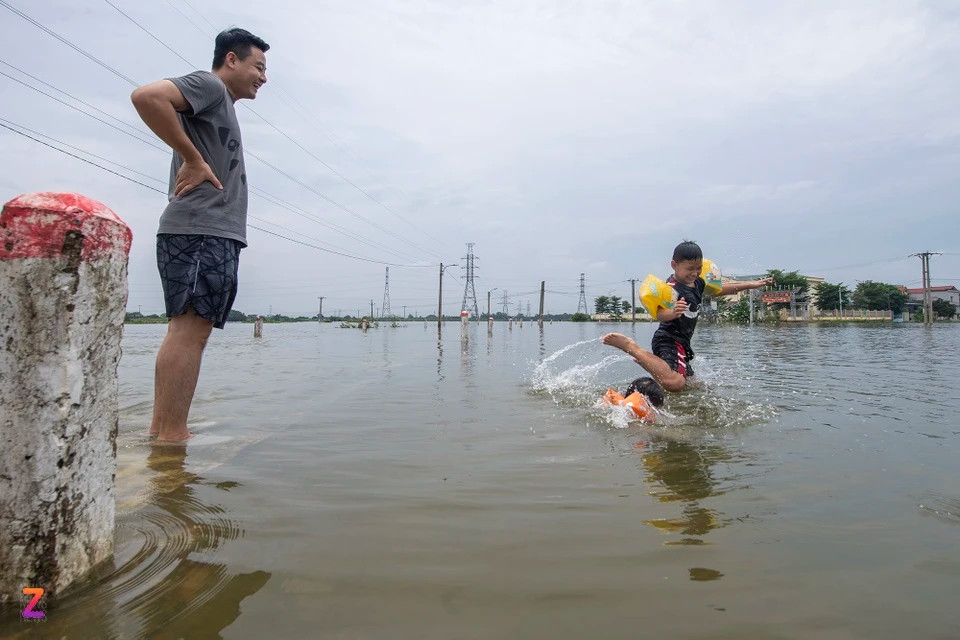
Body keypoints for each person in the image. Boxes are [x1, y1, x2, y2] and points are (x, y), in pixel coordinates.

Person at [131, 28, 270, 442]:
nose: (263, 77)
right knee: (189, 330)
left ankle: (167, 431)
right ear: (232, 59)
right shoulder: (209, 85)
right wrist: (192, 158)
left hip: (214, 232)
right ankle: (170, 437)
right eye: (258, 67)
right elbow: (147, 97)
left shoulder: (221, 104)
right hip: (199, 229)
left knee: (195, 330)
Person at [603, 241, 771, 393]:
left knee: (691, 389)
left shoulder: (698, 282)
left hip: (683, 343)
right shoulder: (671, 289)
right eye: (690, 269)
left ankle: (648, 391)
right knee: (675, 383)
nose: (695, 273)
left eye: (698, 268)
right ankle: (632, 348)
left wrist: (750, 284)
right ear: (674, 265)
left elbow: (718, 291)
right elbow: (660, 314)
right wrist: (674, 312)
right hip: (668, 339)